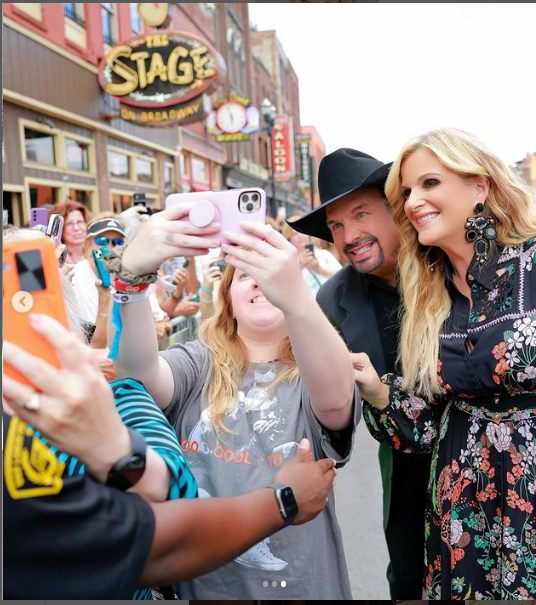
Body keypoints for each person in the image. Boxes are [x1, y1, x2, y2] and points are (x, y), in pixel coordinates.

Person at [109, 207, 361, 599]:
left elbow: (336, 399)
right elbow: (138, 378)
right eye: (245, 275)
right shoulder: (197, 361)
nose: (260, 284)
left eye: (270, 275)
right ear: (226, 295)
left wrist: (295, 296)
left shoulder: (315, 368)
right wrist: (133, 281)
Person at [3, 313, 336, 599]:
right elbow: (158, 527)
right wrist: (284, 500)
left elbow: (169, 490)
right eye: (245, 276)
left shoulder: (119, 398)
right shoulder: (194, 362)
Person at [353, 128, 536, 599]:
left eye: (430, 183)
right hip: (463, 511)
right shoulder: (427, 296)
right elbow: (428, 425)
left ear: (479, 185)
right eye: (407, 192)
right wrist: (378, 391)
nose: (415, 200)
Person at [288, 148, 431, 599]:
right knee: (409, 573)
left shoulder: (451, 263)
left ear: (395, 208)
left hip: (489, 454)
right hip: (406, 460)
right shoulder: (331, 301)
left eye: (361, 213)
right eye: (335, 226)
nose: (349, 235)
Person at [282, 215, 341, 297]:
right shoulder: (285, 261)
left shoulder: (324, 254)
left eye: (302, 231)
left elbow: (342, 280)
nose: (300, 236)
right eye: (295, 233)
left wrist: (319, 269)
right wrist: (299, 265)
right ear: (288, 238)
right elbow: (284, 291)